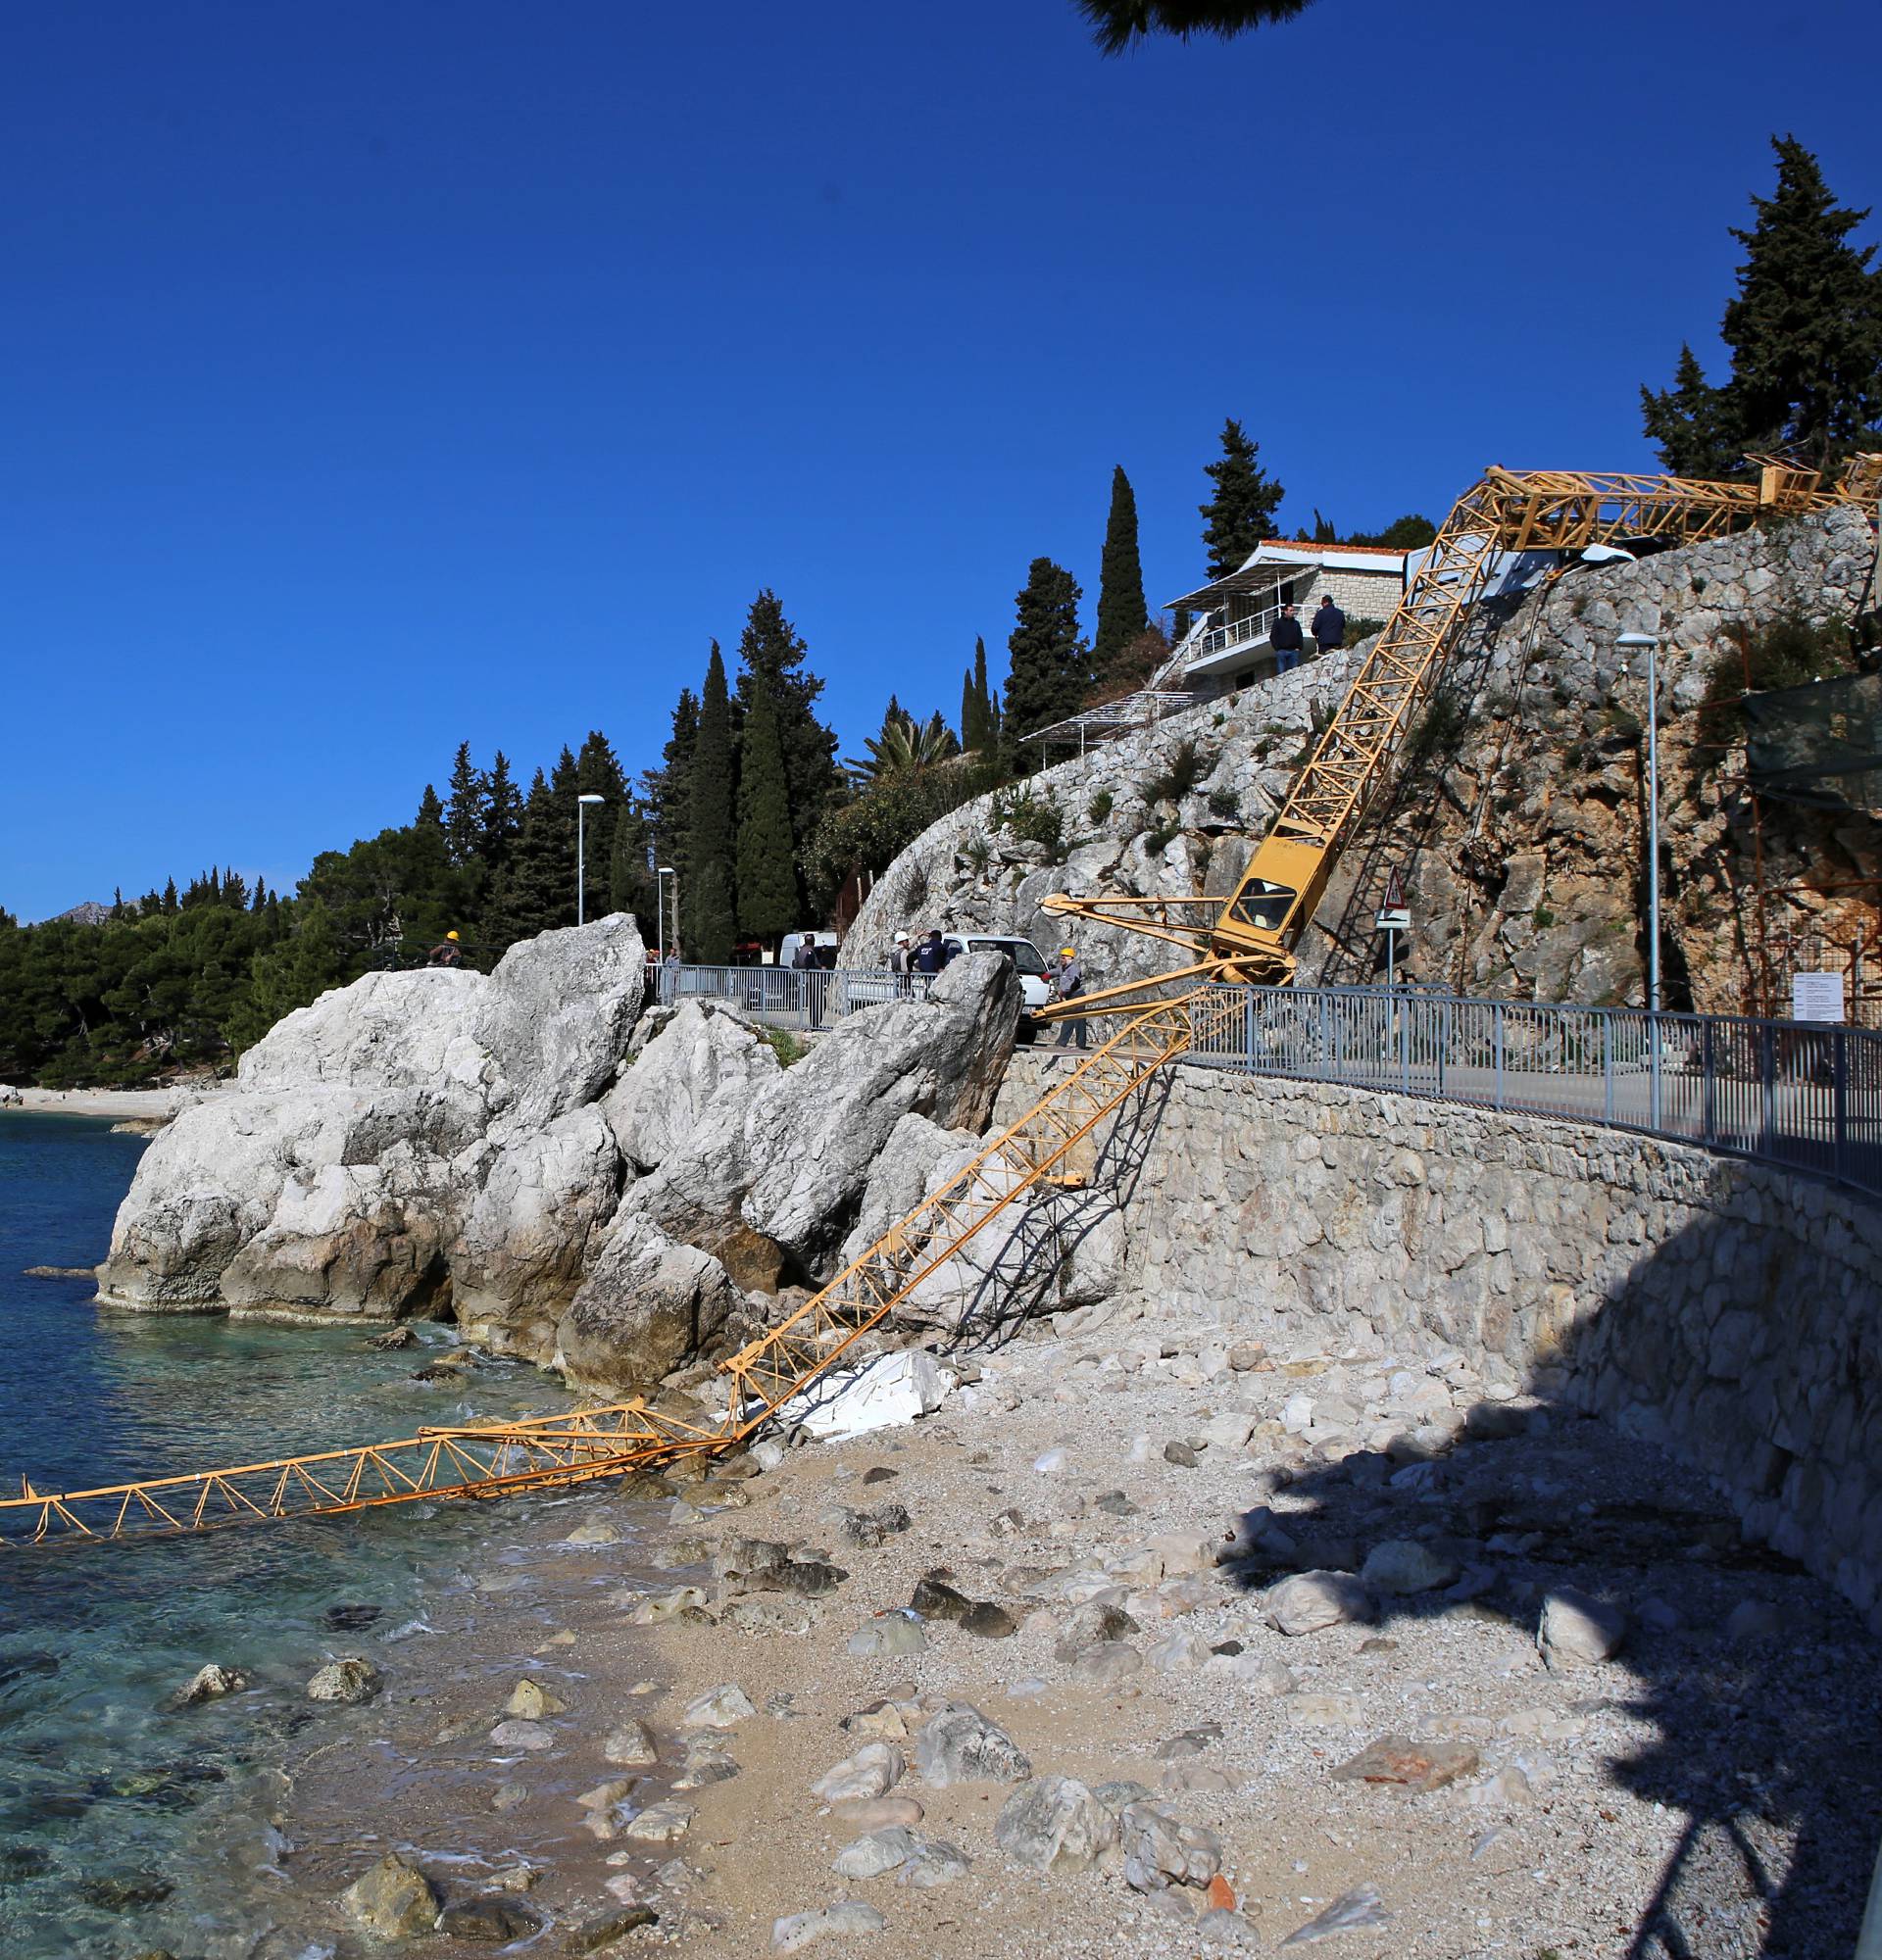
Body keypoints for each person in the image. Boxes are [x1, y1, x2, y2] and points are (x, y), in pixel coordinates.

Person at [1052, 945, 1087, 1050]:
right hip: (1070, 996)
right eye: (1061, 957)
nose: (1061, 959)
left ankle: (1080, 1045)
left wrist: (1065, 990)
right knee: (1068, 1019)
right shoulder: (1063, 969)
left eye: (1064, 957)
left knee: (1079, 1019)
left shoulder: (1074, 968)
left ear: (1070, 958)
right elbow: (1054, 972)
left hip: (1077, 995)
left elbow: (1075, 982)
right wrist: (1045, 975)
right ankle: (1062, 1042)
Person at [1269, 603, 1304, 674]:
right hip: (1281, 651)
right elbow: (1273, 636)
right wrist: (1277, 648)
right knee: (1281, 674)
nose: (1293, 612)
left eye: (1293, 610)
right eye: (1291, 610)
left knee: (1294, 674)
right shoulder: (1278, 622)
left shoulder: (1296, 623)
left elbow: (1300, 635)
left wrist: (1299, 647)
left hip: (1294, 652)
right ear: (1285, 611)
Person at [1312, 593, 1346, 657]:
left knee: (1324, 661)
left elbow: (1315, 627)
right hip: (1337, 641)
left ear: (1325, 603)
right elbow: (1343, 625)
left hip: (1324, 642)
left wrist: (1315, 634)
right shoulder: (1340, 613)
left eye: (1322, 603)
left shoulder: (1321, 613)